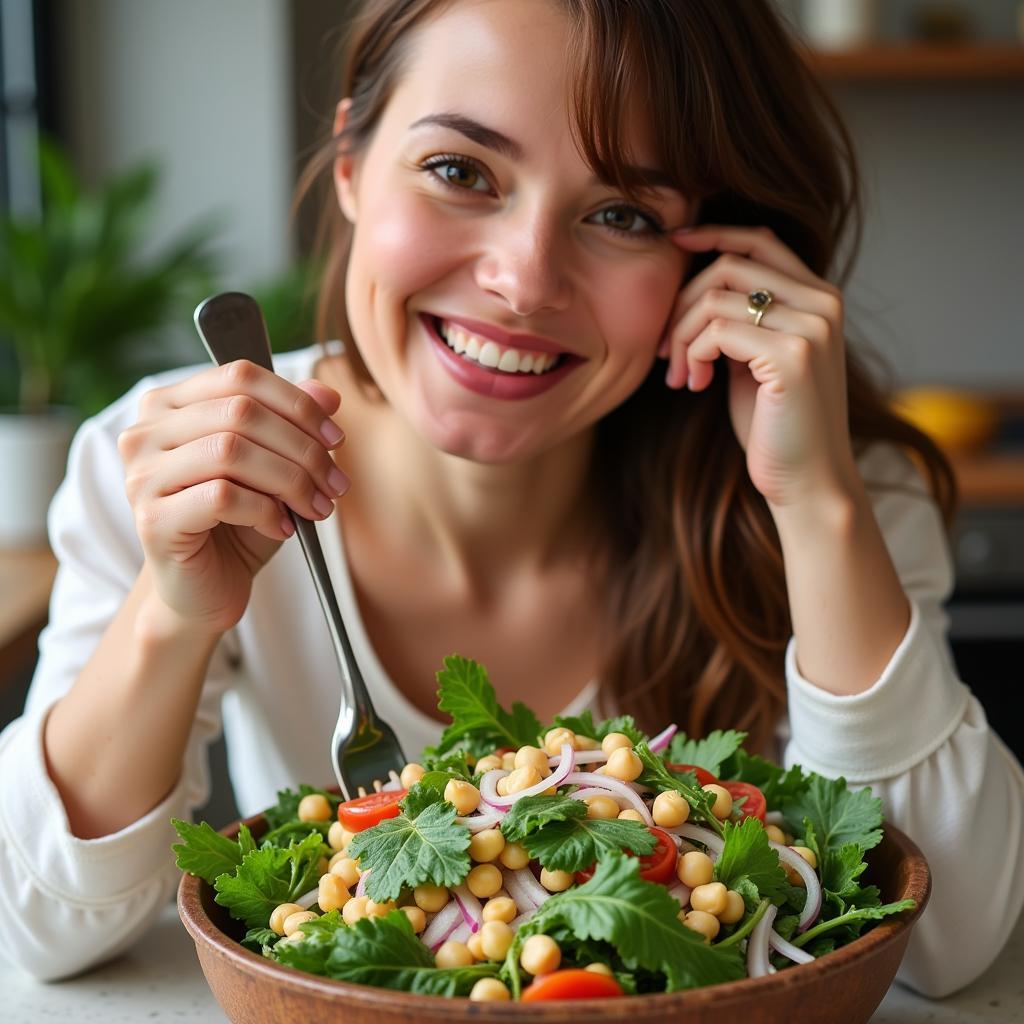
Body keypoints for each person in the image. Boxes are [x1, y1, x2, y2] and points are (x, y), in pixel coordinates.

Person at [0, 0, 1020, 996]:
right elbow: (34, 927)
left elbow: (951, 941)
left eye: (621, 213)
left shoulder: (830, 490)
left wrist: (816, 506)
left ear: (713, 255)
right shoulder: (180, 463)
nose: (524, 279)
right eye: (460, 171)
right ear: (352, 160)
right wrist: (171, 614)